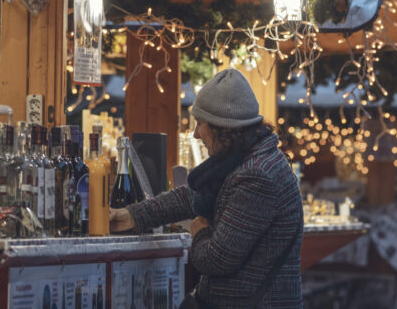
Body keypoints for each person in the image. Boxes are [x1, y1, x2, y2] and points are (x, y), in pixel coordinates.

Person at [110, 68, 303, 308]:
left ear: (222, 128)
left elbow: (217, 260)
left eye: (200, 124)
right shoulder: (239, 158)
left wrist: (199, 231)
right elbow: (189, 196)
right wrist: (131, 215)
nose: (195, 134)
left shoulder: (257, 174)